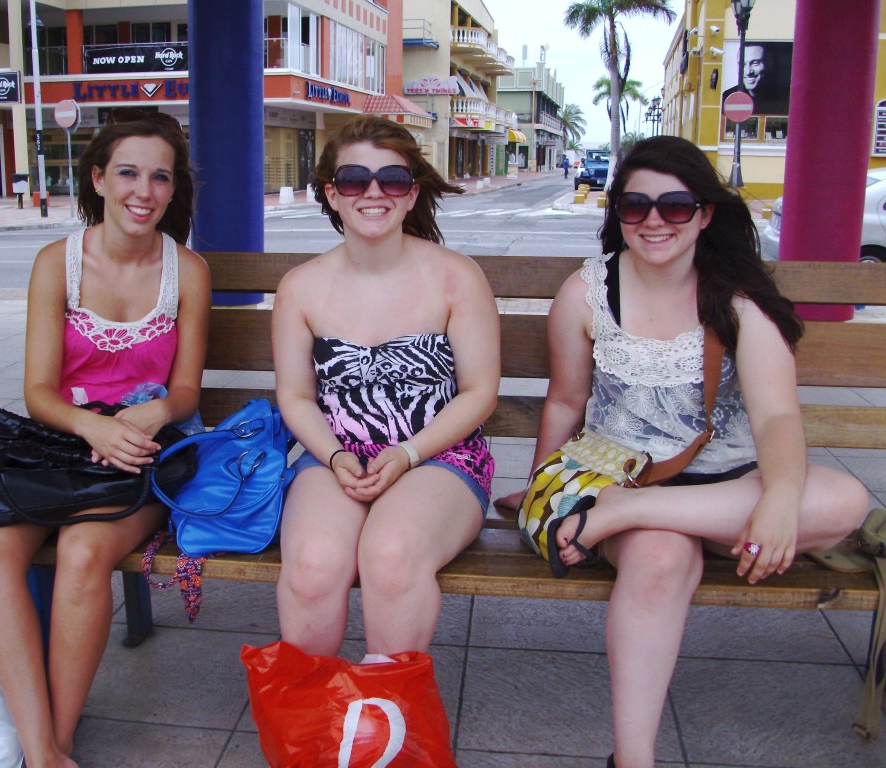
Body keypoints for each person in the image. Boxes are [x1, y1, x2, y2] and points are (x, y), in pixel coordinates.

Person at [497, 135, 868, 768]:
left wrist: (781, 498)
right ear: (618, 213)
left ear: (704, 214)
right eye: (635, 205)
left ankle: (633, 514)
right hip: (620, 477)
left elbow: (777, 417)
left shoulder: (739, 302)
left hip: (726, 489)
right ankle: (633, 758)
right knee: (662, 559)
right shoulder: (588, 294)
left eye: (675, 205)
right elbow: (565, 401)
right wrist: (541, 492)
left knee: (845, 500)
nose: (654, 221)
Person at [0, 109, 210, 768]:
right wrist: (90, 423)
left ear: (173, 189)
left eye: (160, 177)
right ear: (98, 178)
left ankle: (59, 742)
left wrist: (153, 413)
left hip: (145, 452)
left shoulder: (186, 270)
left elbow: (186, 392)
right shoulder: (58, 263)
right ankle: (39, 746)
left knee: (81, 551)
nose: (144, 191)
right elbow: (38, 391)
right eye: (128, 173)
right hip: (63, 445)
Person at [273, 114, 500, 659]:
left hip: (439, 456)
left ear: (411, 193)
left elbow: (479, 391)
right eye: (354, 179)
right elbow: (296, 396)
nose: (373, 192)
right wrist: (333, 456)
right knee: (312, 566)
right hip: (335, 456)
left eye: (392, 179)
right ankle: (309, 709)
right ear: (332, 194)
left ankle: (389, 708)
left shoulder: (456, 277)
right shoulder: (301, 287)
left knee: (391, 555)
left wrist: (407, 453)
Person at [722, 42, 788, 116]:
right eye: (742, 64)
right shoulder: (729, 96)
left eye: (755, 63)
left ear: (769, 64)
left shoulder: (783, 97)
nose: (748, 72)